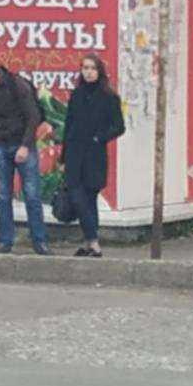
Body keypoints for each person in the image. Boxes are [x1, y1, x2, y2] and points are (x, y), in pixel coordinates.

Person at [0, 57, 50, 256]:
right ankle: (5, 241)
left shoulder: (17, 85)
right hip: (1, 144)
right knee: (2, 195)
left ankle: (40, 241)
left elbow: (33, 116)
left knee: (31, 194)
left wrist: (25, 146)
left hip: (23, 143)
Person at [61, 54, 125, 257]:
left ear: (99, 71)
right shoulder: (77, 95)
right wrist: (63, 157)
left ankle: (91, 243)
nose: (88, 72)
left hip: (94, 156)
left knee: (89, 200)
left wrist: (100, 138)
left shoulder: (109, 97)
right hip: (74, 154)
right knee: (77, 198)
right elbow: (69, 126)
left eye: (92, 68)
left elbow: (119, 126)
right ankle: (93, 241)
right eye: (85, 68)